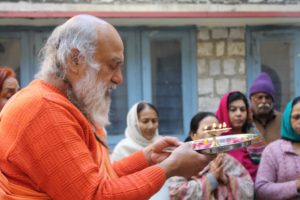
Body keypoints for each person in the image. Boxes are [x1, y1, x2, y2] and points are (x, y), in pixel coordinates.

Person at [0, 15, 214, 199]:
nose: (119, 79)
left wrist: (147, 158)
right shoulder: (44, 109)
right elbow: (95, 195)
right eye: (112, 65)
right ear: (75, 60)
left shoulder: (60, 104)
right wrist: (170, 168)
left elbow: (96, 178)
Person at [168, 112, 254, 200]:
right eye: (208, 129)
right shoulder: (183, 162)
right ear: (194, 136)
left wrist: (226, 179)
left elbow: (249, 190)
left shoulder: (228, 161)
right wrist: (211, 178)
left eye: (216, 129)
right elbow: (176, 193)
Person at [255, 96, 300, 200]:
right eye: (297, 117)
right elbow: (261, 189)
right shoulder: (273, 150)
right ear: (287, 119)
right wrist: (296, 185)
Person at [215, 91, 263, 181]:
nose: (239, 114)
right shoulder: (216, 141)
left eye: (242, 109)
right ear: (224, 112)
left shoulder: (255, 138)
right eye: (233, 110)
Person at [249, 72, 282, 143]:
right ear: (251, 99)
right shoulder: (244, 120)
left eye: (267, 97)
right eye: (259, 97)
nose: (264, 101)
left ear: (272, 100)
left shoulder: (282, 120)